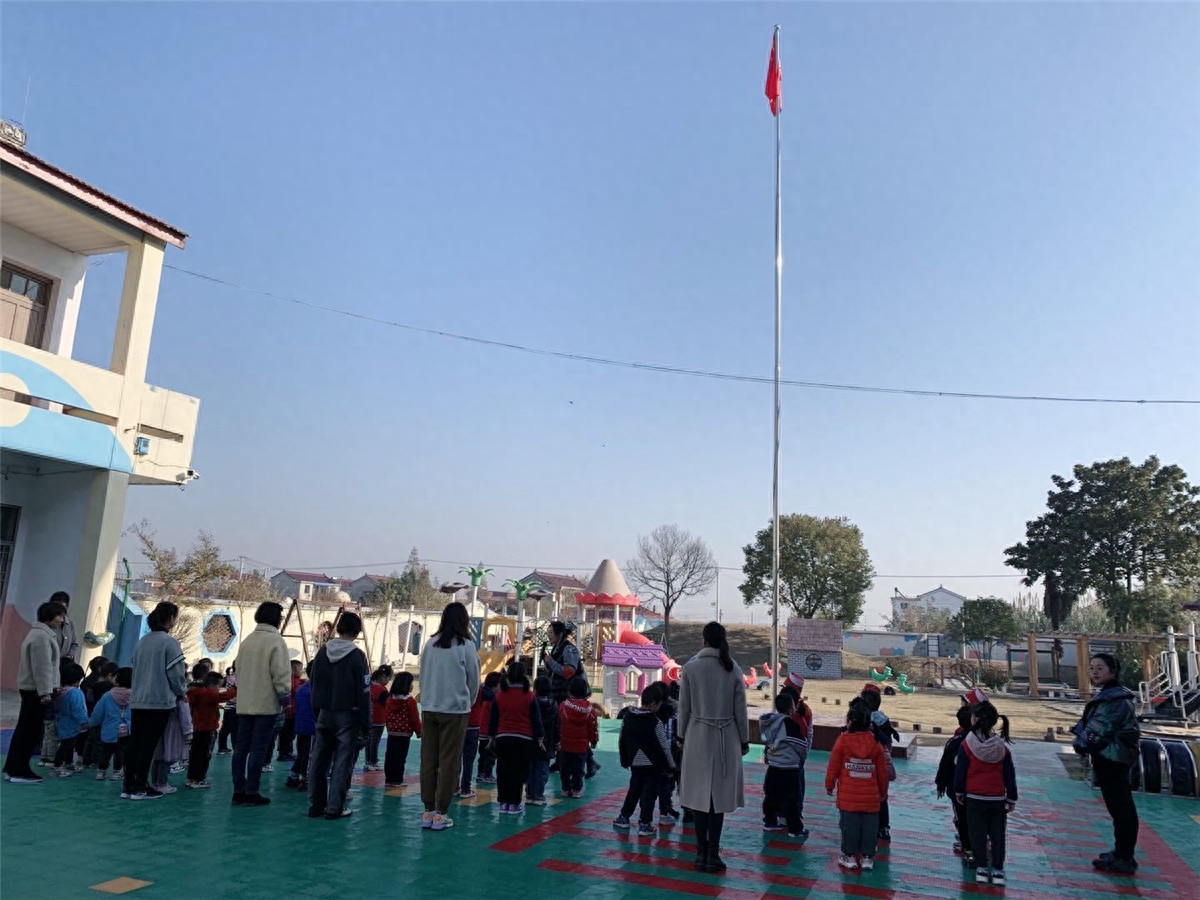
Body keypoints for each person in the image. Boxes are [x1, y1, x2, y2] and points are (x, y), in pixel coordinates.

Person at [677, 621, 750, 874]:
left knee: (698, 799)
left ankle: (700, 852)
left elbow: (683, 707)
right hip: (726, 737)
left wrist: (680, 736)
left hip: (697, 735)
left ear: (704, 640)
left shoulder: (691, 668)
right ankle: (713, 853)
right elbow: (741, 710)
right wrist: (743, 739)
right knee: (718, 799)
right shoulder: (733, 669)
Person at [1072, 653, 1141, 875]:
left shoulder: (1116, 700)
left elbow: (1099, 729)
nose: (1094, 672)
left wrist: (1081, 744)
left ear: (1113, 671)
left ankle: (1124, 857)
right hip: (1109, 757)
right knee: (1119, 808)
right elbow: (1090, 724)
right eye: (1091, 668)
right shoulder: (1110, 696)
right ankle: (1121, 852)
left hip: (1114, 759)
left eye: (1100, 668)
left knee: (1121, 809)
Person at [418, 602, 481, 831]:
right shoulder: (466, 646)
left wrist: (427, 698)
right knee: (449, 762)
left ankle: (428, 810)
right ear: (464, 621)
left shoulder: (430, 643)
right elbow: (474, 680)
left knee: (428, 760)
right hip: (455, 711)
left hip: (430, 707)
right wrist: (468, 702)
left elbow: (423, 674)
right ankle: (441, 813)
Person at [308, 612, 371, 820]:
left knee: (318, 761)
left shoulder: (322, 652)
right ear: (357, 631)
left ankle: (316, 805)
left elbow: (314, 682)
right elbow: (364, 690)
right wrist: (365, 721)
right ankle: (335, 807)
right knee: (342, 762)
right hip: (348, 715)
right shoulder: (357, 656)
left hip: (324, 712)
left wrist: (317, 710)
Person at [125, 602, 188, 801]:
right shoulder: (170, 643)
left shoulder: (142, 641)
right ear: (170, 619)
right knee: (148, 746)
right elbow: (176, 674)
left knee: (135, 744)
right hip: (159, 701)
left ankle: (128, 786)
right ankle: (141, 787)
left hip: (138, 700)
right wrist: (181, 692)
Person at [231, 601, 291, 807]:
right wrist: (285, 697)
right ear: (277, 619)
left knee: (240, 748)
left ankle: (238, 790)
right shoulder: (276, 641)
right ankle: (252, 791)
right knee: (258, 749)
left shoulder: (248, 640)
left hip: (245, 703)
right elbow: (281, 674)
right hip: (266, 704)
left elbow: (237, 669)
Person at [954, 700, 1017, 886]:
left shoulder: (967, 745)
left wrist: (959, 792)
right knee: (998, 834)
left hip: (974, 797)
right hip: (997, 798)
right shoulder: (1001, 748)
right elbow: (1009, 774)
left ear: (974, 719)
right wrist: (1011, 797)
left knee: (977, 833)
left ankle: (981, 867)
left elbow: (961, 771)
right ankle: (998, 869)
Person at [4, 601, 64, 783]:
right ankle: (19, 770)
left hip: (32, 689)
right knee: (29, 731)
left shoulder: (39, 634)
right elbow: (42, 667)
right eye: (59, 616)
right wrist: (45, 691)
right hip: (36, 691)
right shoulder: (41, 637)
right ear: (50, 616)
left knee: (25, 729)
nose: (62, 620)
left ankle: (13, 767)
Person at [826, 698, 889, 871]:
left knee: (849, 828)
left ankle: (850, 857)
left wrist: (829, 784)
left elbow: (834, 765)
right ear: (869, 722)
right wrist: (883, 791)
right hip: (871, 799)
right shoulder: (875, 743)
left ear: (849, 721)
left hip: (848, 798)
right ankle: (868, 858)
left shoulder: (843, 740)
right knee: (870, 829)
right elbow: (882, 772)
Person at [614, 683, 675, 836]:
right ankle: (645, 823)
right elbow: (664, 746)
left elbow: (622, 739)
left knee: (634, 790)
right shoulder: (655, 722)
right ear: (654, 704)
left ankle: (624, 817)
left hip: (635, 763)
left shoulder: (628, 717)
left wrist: (624, 759)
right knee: (648, 794)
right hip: (652, 765)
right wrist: (671, 766)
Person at [486, 661, 544, 814]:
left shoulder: (500, 695)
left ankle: (503, 802)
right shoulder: (529, 696)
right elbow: (536, 720)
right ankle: (514, 803)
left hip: (503, 738)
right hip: (523, 739)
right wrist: (539, 737)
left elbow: (493, 718)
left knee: (503, 770)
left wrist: (491, 736)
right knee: (518, 773)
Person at [544, 620, 599, 778]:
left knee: (570, 729)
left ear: (560, 634)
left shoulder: (569, 649)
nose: (549, 636)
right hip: (560, 693)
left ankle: (590, 762)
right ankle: (561, 760)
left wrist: (551, 662)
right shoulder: (557, 647)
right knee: (561, 728)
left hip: (570, 695)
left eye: (551, 633)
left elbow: (569, 671)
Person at [760, 692, 808, 836]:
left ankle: (770, 821)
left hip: (774, 766)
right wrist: (801, 758)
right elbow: (800, 745)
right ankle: (795, 829)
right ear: (791, 709)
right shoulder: (789, 723)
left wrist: (768, 755)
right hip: (789, 767)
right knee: (792, 798)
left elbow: (767, 742)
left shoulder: (769, 722)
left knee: (771, 795)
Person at [935, 705, 975, 863]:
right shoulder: (982, 740)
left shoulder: (955, 741)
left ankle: (968, 848)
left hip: (956, 789)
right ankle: (978, 843)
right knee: (975, 817)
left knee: (962, 818)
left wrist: (941, 785)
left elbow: (944, 765)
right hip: (976, 789)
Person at [859, 683, 898, 841]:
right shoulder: (884, 719)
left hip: (865, 766)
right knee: (882, 796)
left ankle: (865, 827)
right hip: (882, 765)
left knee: (864, 796)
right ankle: (884, 828)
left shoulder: (860, 719)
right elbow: (888, 743)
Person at [187, 669, 235, 789]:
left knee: (195, 754)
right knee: (204, 754)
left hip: (197, 727)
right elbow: (225, 695)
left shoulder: (195, 691)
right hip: (208, 728)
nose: (219, 689)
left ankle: (192, 778)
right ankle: (199, 778)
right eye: (218, 686)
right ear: (213, 685)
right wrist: (237, 688)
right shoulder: (208, 693)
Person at [89, 666, 133, 782]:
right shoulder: (135, 696)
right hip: (127, 729)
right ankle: (117, 772)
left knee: (106, 751)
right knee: (121, 751)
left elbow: (98, 712)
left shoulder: (108, 695)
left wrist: (91, 723)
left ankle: (101, 772)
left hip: (109, 729)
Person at [557, 677, 598, 798]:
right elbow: (593, 727)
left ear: (570, 691)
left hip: (565, 743)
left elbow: (558, 724)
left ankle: (565, 788)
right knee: (578, 769)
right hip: (581, 746)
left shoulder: (563, 706)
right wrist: (594, 740)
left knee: (564, 768)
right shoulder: (590, 710)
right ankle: (576, 789)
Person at [457, 675, 495, 798]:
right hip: (473, 726)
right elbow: (492, 696)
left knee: (455, 758)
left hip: (458, 723)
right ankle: (465, 788)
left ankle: (454, 786)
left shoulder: (458, 687)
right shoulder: (479, 691)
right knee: (469, 759)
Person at [651, 679, 681, 824]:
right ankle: (670, 808)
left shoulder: (654, 709)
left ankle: (647, 814)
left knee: (653, 786)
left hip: (656, 753)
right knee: (673, 781)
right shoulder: (676, 707)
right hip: (675, 750)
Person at [384, 671, 421, 786]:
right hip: (404, 734)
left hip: (391, 732)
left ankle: (389, 779)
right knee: (400, 758)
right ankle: (397, 779)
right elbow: (414, 718)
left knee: (390, 756)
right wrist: (419, 732)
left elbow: (387, 715)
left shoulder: (390, 699)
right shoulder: (410, 701)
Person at [51, 662, 88, 776]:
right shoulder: (75, 693)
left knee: (67, 744)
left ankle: (68, 763)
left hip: (62, 722)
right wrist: (84, 721)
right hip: (73, 724)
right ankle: (57, 767)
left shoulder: (60, 691)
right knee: (66, 746)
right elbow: (78, 709)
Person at [528, 675, 558, 806]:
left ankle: (529, 794)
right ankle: (539, 795)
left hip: (531, 741)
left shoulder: (531, 703)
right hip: (548, 743)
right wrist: (558, 741)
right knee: (542, 770)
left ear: (535, 689)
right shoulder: (554, 706)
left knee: (530, 769)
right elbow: (557, 726)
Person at [286, 662, 315, 790]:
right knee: (309, 754)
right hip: (312, 728)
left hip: (301, 727)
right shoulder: (315, 690)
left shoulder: (302, 688)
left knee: (302, 753)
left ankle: (294, 776)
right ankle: (306, 779)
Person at [475, 671, 502, 785]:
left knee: (483, 754)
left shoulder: (483, 695)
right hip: (489, 732)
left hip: (482, 731)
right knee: (490, 756)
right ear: (495, 685)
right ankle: (488, 774)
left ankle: (481, 773)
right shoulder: (493, 699)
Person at [276, 659, 305, 762]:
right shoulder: (293, 681)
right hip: (291, 713)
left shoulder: (291, 680)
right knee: (288, 734)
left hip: (289, 713)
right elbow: (295, 689)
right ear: (293, 670)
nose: (301, 672)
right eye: (300, 669)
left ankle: (284, 751)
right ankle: (286, 752)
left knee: (286, 734)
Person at [365, 668, 389, 771]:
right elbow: (387, 704)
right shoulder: (382, 690)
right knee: (375, 741)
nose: (388, 681)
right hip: (379, 720)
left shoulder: (369, 687)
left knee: (369, 741)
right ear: (383, 677)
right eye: (388, 678)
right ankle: (373, 761)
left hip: (369, 718)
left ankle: (368, 760)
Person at [48, 590, 80, 662]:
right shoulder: (46, 624)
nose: (58, 610)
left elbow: (74, 644)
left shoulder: (70, 624)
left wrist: (69, 656)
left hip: (64, 666)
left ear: (67, 606)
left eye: (62, 607)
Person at [217, 665, 238, 754]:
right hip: (234, 706)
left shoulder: (230, 677)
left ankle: (222, 747)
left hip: (230, 706)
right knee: (234, 729)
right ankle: (234, 747)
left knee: (226, 728)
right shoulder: (236, 678)